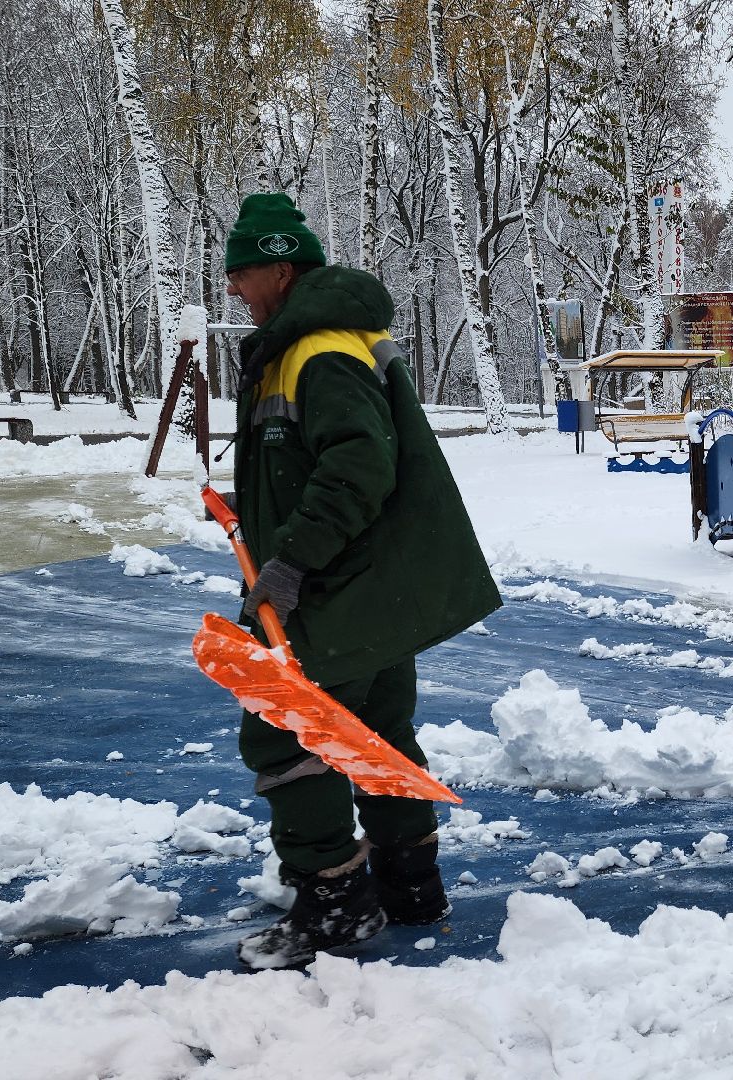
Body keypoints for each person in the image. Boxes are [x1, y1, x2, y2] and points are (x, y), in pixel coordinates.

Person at [221, 192, 502, 970]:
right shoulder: (319, 343)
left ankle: (335, 906)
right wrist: (262, 508)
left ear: (281, 270)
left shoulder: (319, 352)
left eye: (242, 275)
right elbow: (321, 461)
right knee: (378, 735)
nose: (234, 292)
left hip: (335, 594)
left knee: (284, 736)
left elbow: (357, 467)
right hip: (374, 588)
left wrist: (290, 562)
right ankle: (412, 886)